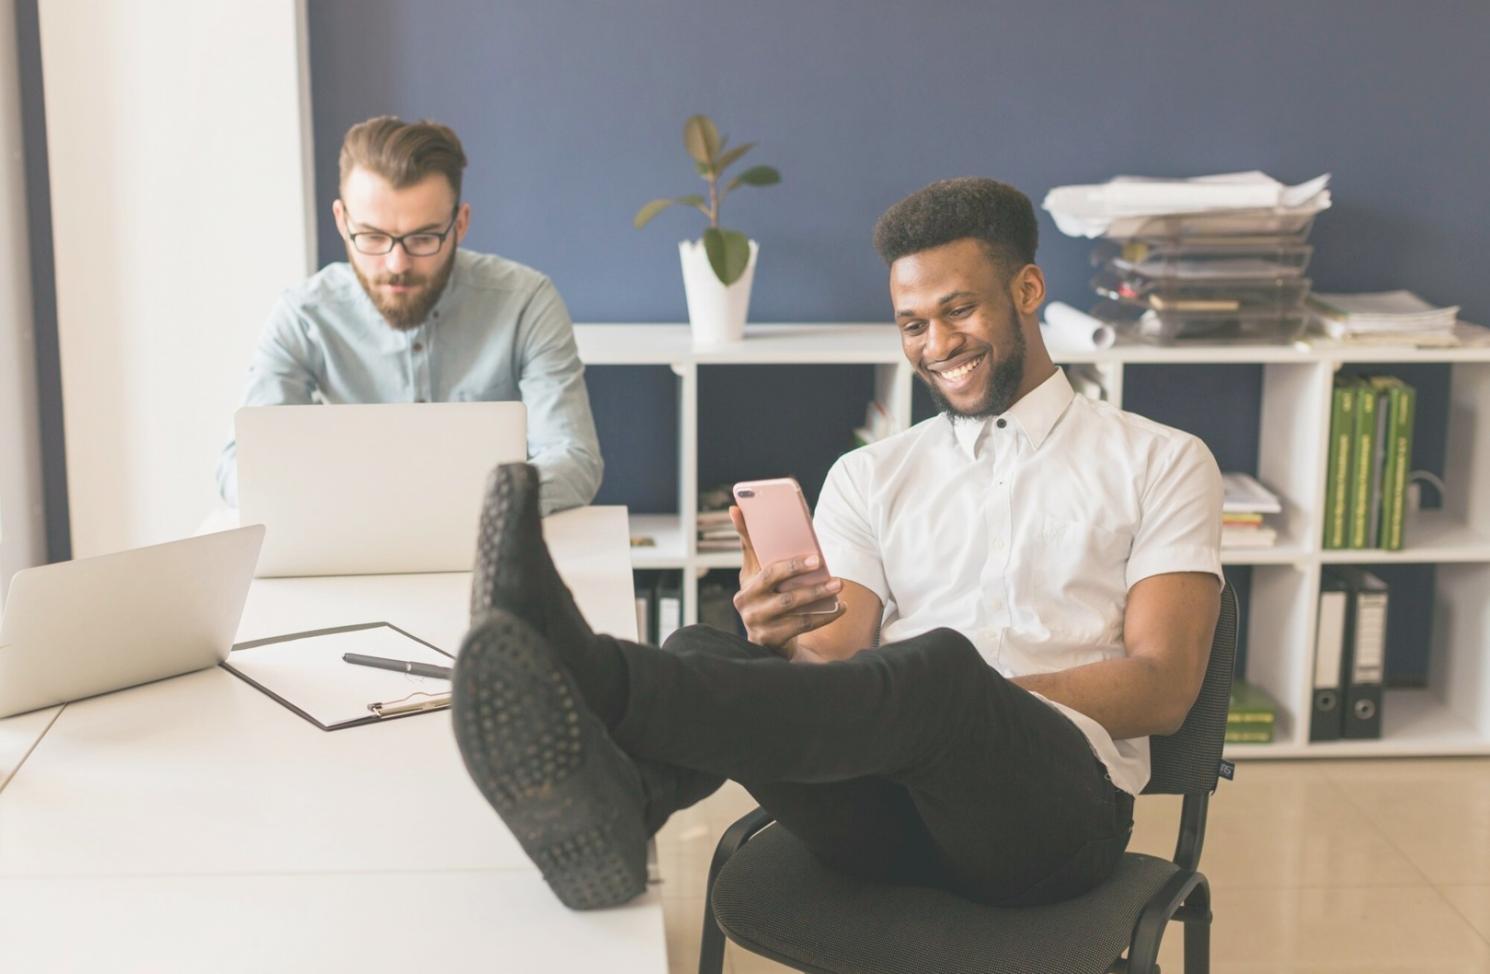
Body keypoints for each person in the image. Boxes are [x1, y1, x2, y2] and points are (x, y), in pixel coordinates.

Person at [451, 177, 1223, 911]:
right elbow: (836, 659)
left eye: (960, 311)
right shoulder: (868, 473)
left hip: (1050, 824)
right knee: (711, 645)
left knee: (942, 673)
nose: (938, 344)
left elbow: (1164, 686)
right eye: (914, 325)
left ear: (1026, 290)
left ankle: (590, 671)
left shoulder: (1162, 460)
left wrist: (977, 704)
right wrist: (784, 641)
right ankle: (632, 802)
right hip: (878, 817)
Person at [216, 116, 602, 515]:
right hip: (350, 546)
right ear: (341, 221)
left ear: (461, 223)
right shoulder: (304, 315)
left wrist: (471, 505)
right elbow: (238, 467)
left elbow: (573, 457)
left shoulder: (526, 302)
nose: (396, 263)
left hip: (490, 545)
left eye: (423, 238)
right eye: (372, 237)